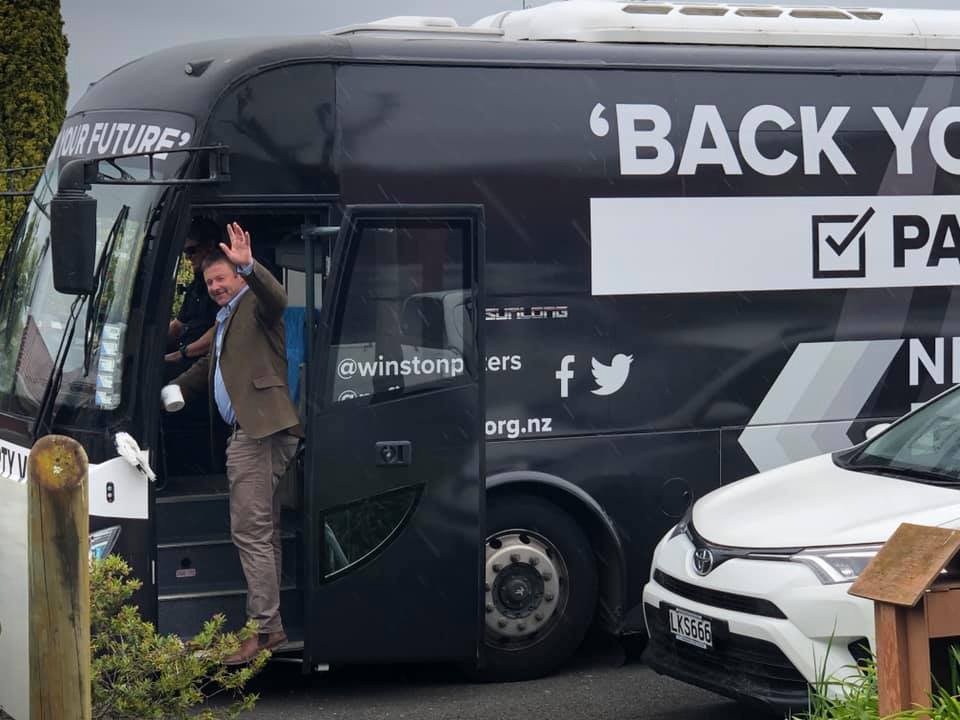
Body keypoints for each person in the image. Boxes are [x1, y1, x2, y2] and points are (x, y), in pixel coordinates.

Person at [168, 221, 303, 664]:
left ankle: (264, 631)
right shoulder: (227, 317)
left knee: (249, 531)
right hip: (253, 431)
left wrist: (251, 266)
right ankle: (271, 626)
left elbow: (277, 298)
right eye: (209, 282)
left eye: (222, 279)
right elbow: (214, 366)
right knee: (263, 533)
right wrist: (176, 388)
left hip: (260, 432)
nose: (215, 288)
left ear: (238, 277)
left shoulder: (256, 306)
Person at [164, 218, 220, 381]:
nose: (188, 257)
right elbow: (178, 325)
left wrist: (180, 354)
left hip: (205, 361)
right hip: (187, 354)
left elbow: (219, 332)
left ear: (209, 246)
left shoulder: (223, 289)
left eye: (191, 250)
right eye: (184, 252)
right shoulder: (197, 283)